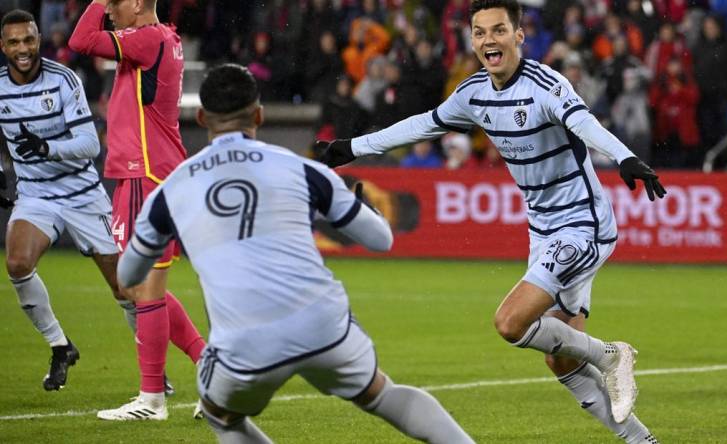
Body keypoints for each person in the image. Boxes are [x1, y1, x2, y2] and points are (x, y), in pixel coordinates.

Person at [313, 0, 665, 442]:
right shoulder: (473, 93)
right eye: (479, 33)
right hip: (543, 231)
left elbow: (585, 123)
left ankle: (611, 355)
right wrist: (354, 147)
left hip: (583, 223)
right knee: (560, 357)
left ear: (519, 36)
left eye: (499, 30)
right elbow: (424, 124)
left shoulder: (546, 85)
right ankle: (641, 439)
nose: (488, 41)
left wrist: (625, 156)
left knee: (510, 323)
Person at [116, 63, 475, 444]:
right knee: (379, 393)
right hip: (321, 323)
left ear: (202, 118)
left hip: (244, 342)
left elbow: (128, 276)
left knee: (221, 414)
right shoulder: (302, 169)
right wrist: (362, 210)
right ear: (259, 115)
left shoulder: (172, 190)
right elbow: (380, 240)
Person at [68, 0, 206, 420]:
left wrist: (93, 1)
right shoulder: (163, 38)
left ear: (138, 4)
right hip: (153, 173)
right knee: (143, 287)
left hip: (143, 174)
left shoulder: (146, 39)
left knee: (140, 286)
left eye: (114, 2)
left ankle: (152, 400)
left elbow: (79, 40)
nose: (108, 9)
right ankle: (211, 368)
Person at [0, 9, 121, 393]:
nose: (23, 49)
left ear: (39, 39)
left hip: (83, 193)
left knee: (124, 288)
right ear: (2, 46)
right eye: (15, 42)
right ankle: (60, 346)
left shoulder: (64, 79)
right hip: (36, 195)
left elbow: (88, 145)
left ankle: (154, 374)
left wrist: (47, 147)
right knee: (17, 263)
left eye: (29, 40)